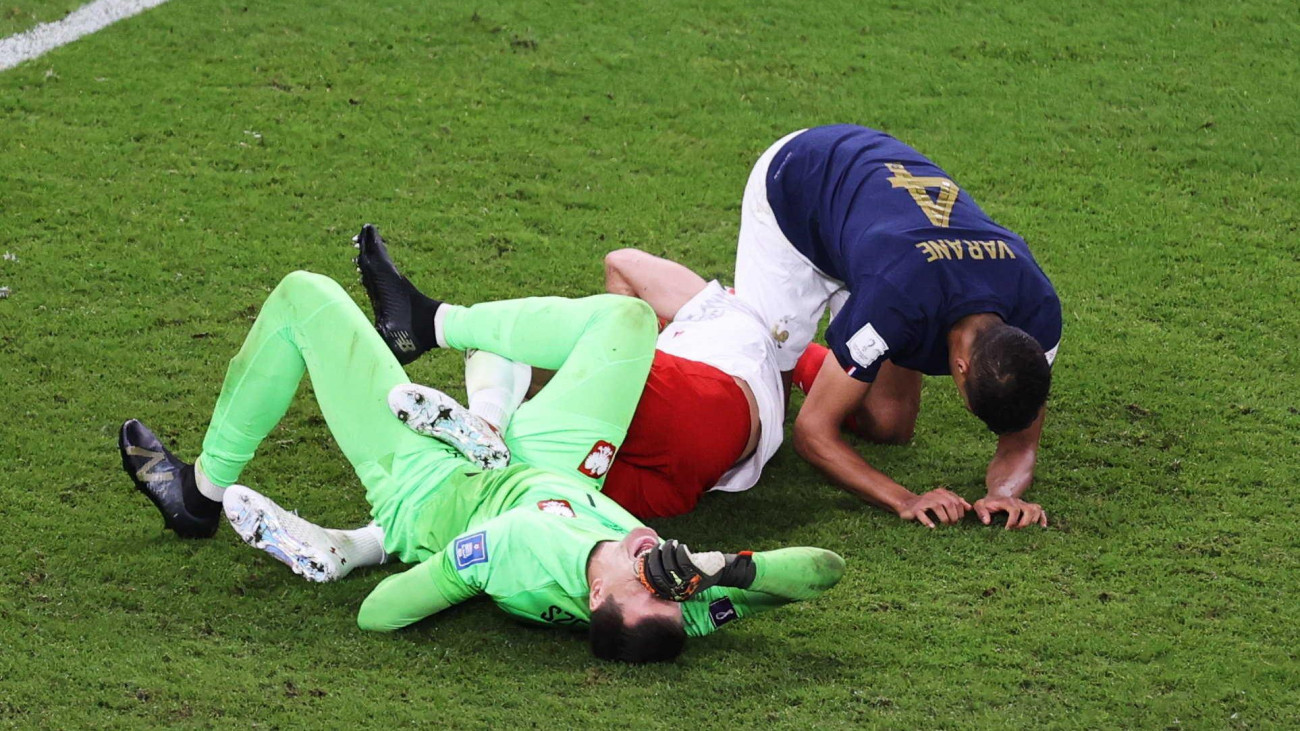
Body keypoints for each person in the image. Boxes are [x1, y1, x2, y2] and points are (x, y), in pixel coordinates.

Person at [118, 254, 843, 663]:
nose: (658, 564)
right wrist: (731, 571)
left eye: (644, 582)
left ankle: (205, 495)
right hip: (558, 467)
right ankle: (440, 339)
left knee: (304, 295)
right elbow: (821, 571)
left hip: (436, 488)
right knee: (624, 319)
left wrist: (462, 564)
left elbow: (379, 617)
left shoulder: (522, 553)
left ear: (596, 599)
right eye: (668, 588)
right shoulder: (671, 596)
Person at [732, 124, 1062, 530]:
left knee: (889, 426)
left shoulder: (1036, 312)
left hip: (886, 249)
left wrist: (1003, 497)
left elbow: (1021, 440)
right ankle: (708, 308)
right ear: (959, 369)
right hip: (799, 189)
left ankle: (840, 357)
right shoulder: (897, 300)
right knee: (768, 427)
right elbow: (812, 434)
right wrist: (904, 499)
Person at [358, 225, 785, 520]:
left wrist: (639, 337)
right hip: (690, 478)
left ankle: (434, 329)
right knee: (516, 482)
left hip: (707, 410)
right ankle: (393, 524)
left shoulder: (723, 308)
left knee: (504, 339)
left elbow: (623, 261)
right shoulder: (750, 337)